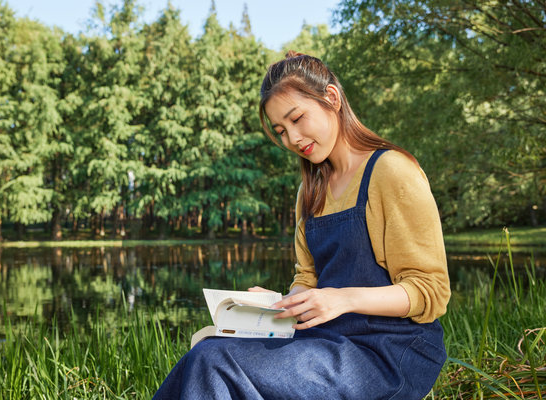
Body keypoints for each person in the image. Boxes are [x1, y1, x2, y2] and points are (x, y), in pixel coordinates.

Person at [152, 52, 450, 400]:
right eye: (281, 130)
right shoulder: (310, 191)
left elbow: (431, 292)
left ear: (332, 99)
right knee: (210, 346)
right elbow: (307, 281)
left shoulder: (392, 171)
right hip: (325, 341)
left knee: (214, 362)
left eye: (297, 119)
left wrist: (341, 300)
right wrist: (279, 304)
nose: (292, 138)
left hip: (387, 353)